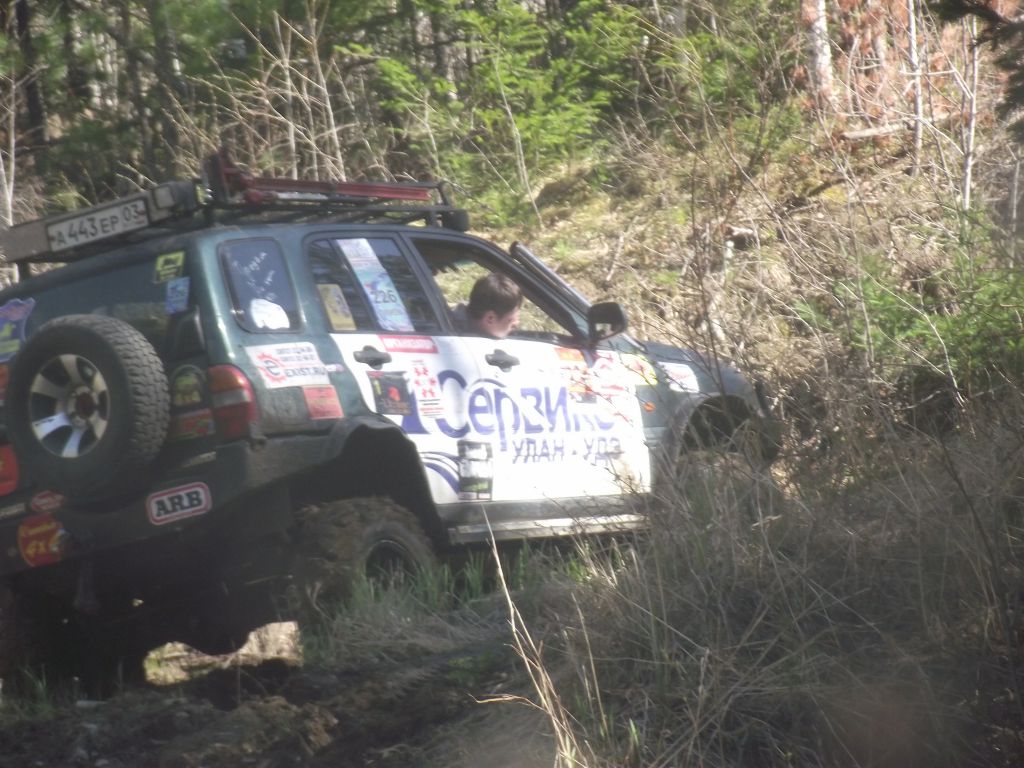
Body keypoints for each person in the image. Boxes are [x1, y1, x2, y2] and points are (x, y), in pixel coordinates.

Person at [452, 272, 522, 339]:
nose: (517, 323)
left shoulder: (454, 326)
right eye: (511, 322)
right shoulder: (456, 335)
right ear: (490, 318)